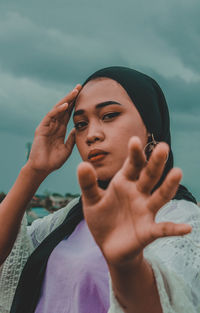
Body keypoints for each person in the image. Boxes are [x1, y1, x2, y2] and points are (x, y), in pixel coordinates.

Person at [0, 66, 199, 313]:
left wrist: (127, 266)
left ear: (150, 124)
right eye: (81, 124)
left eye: (109, 115)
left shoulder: (181, 221)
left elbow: (171, 301)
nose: (91, 135)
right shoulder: (72, 216)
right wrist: (34, 170)